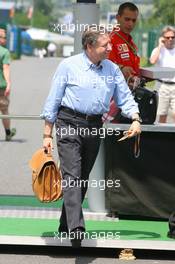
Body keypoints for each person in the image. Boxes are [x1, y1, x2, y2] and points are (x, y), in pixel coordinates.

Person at [41, 26, 141, 246]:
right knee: (72, 175)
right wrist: (47, 133)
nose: (110, 48)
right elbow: (53, 99)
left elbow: (124, 97)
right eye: (105, 45)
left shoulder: (112, 69)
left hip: (95, 125)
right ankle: (77, 228)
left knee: (82, 176)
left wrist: (135, 117)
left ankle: (66, 223)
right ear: (89, 46)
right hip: (68, 121)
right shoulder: (68, 65)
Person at [103, 2, 140, 122]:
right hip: (114, 101)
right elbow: (104, 64)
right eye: (127, 19)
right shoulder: (110, 39)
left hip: (129, 99)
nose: (130, 24)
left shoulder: (130, 42)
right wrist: (121, 67)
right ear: (118, 18)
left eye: (134, 20)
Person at [150, 26, 175, 123]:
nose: (170, 39)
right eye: (168, 37)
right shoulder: (158, 50)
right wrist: (160, 46)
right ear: (163, 38)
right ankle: (163, 136)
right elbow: (152, 61)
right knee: (162, 114)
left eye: (173, 37)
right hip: (162, 86)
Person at [0, 29, 16, 141]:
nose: (5, 39)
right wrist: (8, 83)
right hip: (1, 86)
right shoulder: (4, 52)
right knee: (4, 110)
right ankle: (8, 133)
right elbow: (5, 68)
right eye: (3, 37)